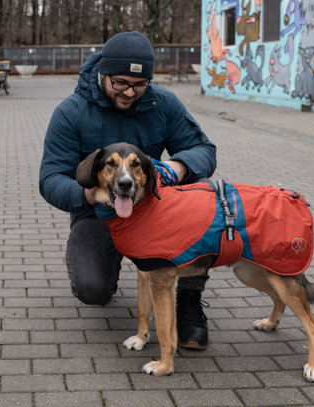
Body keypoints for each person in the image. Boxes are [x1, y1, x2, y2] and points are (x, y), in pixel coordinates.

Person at [39, 32, 217, 350]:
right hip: (98, 214)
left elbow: (203, 149)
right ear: (103, 73)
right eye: (121, 82)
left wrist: (177, 168)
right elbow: (51, 178)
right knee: (92, 289)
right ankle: (110, 274)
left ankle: (188, 299)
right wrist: (89, 195)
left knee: (200, 192)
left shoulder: (162, 103)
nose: (130, 92)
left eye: (140, 84)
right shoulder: (71, 113)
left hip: (152, 210)